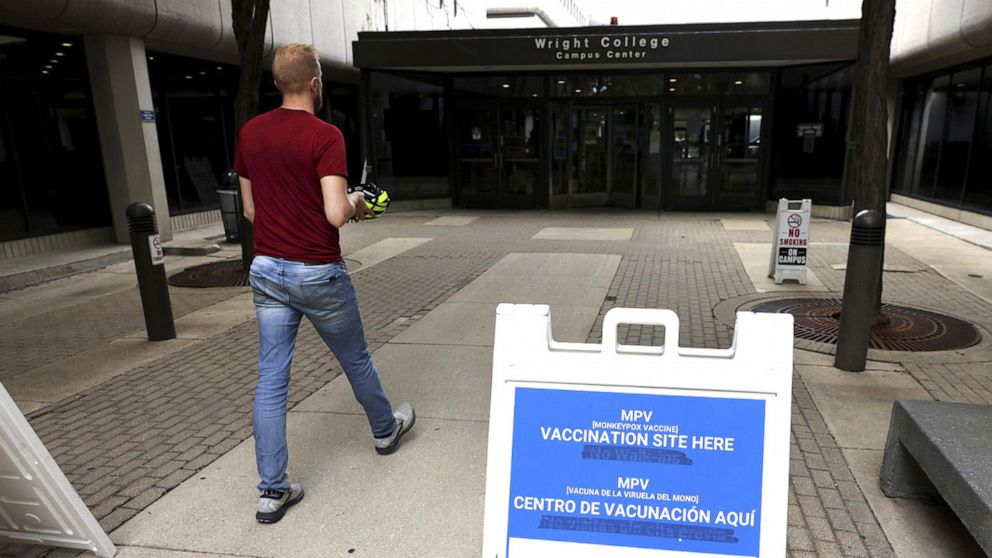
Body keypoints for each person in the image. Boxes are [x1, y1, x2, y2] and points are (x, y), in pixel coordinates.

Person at [234, 43, 415, 524]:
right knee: (354, 357)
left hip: (268, 270)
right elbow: (335, 213)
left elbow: (251, 211)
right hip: (317, 271)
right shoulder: (325, 135)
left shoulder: (250, 133)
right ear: (315, 84)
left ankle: (272, 491)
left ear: (277, 83)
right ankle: (384, 430)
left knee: (271, 379)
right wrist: (359, 201)